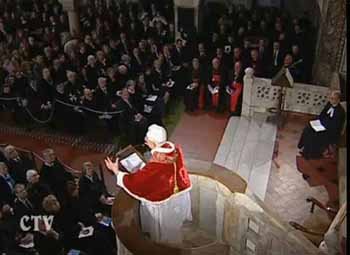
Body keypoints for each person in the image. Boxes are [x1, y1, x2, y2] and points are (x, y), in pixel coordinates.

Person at [105, 124, 192, 245]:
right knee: (175, 228)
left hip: (163, 206)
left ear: (155, 142)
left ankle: (165, 247)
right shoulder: (173, 149)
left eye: (147, 139)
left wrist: (117, 172)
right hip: (176, 198)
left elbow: (136, 183)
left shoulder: (157, 164)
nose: (145, 141)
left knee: (164, 234)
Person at [298, 91, 345, 159]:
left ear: (338, 100)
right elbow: (322, 115)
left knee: (314, 134)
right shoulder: (329, 104)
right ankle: (304, 148)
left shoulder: (340, 111)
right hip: (322, 124)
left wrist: (323, 126)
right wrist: (317, 122)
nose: (330, 100)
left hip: (330, 131)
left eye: (333, 99)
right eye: (330, 98)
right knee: (308, 128)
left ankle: (311, 154)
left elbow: (336, 126)